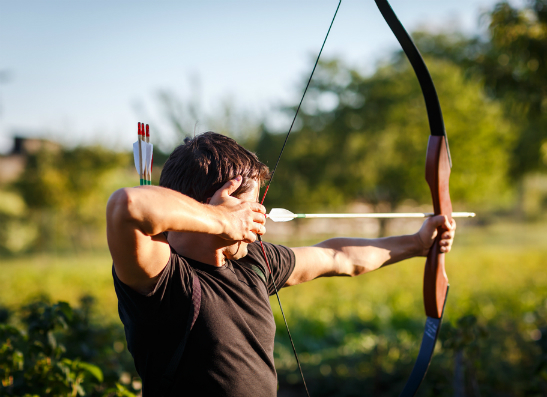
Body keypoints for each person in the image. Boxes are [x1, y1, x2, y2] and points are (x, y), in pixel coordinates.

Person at [106, 132, 456, 396]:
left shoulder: (251, 260)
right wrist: (223, 221)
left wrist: (418, 243)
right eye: (250, 206)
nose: (257, 217)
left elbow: (340, 257)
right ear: (213, 204)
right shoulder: (161, 276)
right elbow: (127, 205)